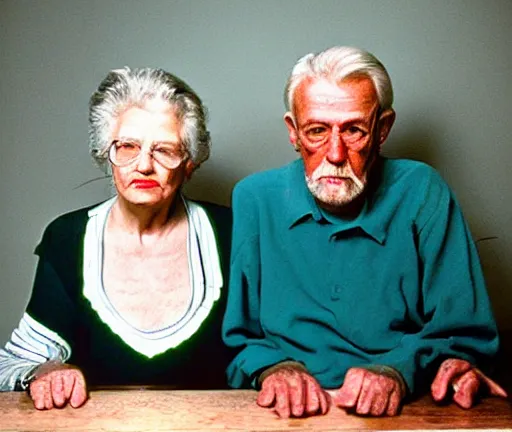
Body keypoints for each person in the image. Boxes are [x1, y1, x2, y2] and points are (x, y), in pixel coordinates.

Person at [222, 46, 507, 418]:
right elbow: (239, 341)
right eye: (317, 131)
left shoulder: (422, 189)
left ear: (382, 129)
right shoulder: (254, 198)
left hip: (403, 409)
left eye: (354, 130)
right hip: (284, 413)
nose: (336, 153)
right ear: (293, 132)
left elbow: (466, 334)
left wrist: (395, 371)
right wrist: (276, 369)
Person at [0, 67, 232, 410]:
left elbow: (270, 349)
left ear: (189, 163)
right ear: (105, 153)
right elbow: (12, 364)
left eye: (164, 149)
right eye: (127, 146)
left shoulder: (233, 231)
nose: (143, 165)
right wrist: (46, 370)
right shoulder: (68, 238)